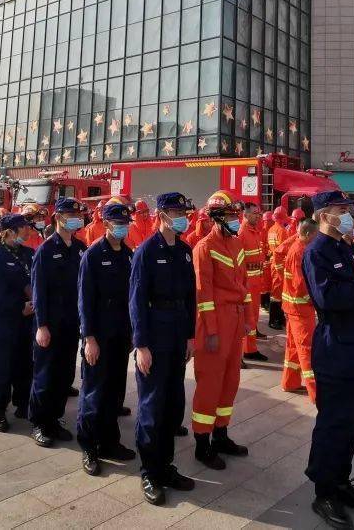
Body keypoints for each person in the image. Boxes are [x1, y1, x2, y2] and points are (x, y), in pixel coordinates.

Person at [302, 190, 354, 528]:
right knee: (335, 424)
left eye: (348, 210)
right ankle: (324, 492)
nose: (347, 215)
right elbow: (329, 297)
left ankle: (341, 481)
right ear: (324, 215)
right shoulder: (316, 252)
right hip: (336, 348)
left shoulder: (346, 248)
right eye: (341, 210)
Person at [130, 192, 197, 505]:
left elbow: (190, 298)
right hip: (154, 337)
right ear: (161, 215)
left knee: (173, 405)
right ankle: (150, 472)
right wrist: (141, 344)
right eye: (174, 211)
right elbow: (137, 301)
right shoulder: (146, 251)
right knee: (152, 407)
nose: (180, 216)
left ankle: (166, 465)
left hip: (177, 335)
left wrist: (191, 336)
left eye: (182, 210)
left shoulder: (184, 251)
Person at [76, 201, 137, 474]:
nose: (122, 227)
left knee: (114, 392)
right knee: (93, 393)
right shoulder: (92, 255)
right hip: (98, 336)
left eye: (126, 223)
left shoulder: (128, 255)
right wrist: (88, 337)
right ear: (106, 224)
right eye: (117, 223)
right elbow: (85, 300)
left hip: (121, 335)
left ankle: (110, 441)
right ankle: (89, 447)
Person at [190, 190, 250, 470]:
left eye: (235, 215)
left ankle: (221, 434)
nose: (235, 220)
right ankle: (202, 444)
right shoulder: (204, 247)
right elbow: (203, 294)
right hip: (215, 323)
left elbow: (244, 287)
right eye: (229, 215)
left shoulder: (237, 245)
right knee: (210, 383)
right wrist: (211, 331)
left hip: (235, 320)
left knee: (230, 381)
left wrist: (248, 320)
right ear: (216, 217)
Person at [26, 199, 84, 445]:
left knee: (65, 373)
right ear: (58, 217)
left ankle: (55, 418)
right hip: (50, 323)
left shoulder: (80, 248)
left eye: (76, 214)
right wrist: (41, 325)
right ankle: (40, 422)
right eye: (70, 214)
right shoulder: (46, 250)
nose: (75, 218)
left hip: (71, 323)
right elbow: (38, 291)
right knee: (45, 375)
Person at [0, 214, 34, 432]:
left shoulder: (29, 254)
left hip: (25, 323)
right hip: (1, 323)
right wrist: (19, 307)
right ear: (10, 232)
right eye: (23, 229)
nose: (28, 232)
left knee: (23, 367)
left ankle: (23, 404)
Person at [281, 217, 319, 401]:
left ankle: (290, 382)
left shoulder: (298, 247)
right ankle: (316, 393)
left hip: (293, 307)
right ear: (306, 234)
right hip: (300, 309)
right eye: (315, 235)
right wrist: (316, 300)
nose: (317, 237)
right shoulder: (300, 252)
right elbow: (301, 285)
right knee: (307, 349)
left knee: (294, 348)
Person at [240, 201, 269, 360]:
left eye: (259, 213)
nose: (258, 216)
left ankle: (250, 348)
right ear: (245, 214)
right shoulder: (242, 233)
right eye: (255, 213)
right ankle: (247, 350)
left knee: (254, 317)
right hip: (247, 284)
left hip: (256, 281)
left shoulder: (254, 231)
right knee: (248, 318)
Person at [267, 206, 291, 329]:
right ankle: (274, 320)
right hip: (279, 265)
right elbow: (283, 250)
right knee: (278, 293)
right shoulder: (281, 231)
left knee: (275, 291)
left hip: (273, 264)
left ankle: (276, 319)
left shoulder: (271, 229)